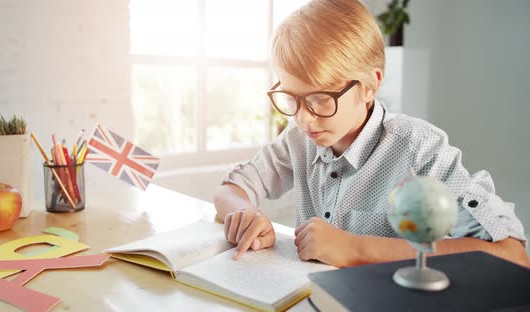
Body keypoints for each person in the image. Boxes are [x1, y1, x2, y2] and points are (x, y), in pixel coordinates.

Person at [214, 0, 529, 268]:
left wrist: (355, 249)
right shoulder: (299, 141)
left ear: (370, 86)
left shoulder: (420, 151)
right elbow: (231, 189)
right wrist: (245, 214)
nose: (303, 118)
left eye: (321, 99)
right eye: (291, 98)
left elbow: (513, 256)